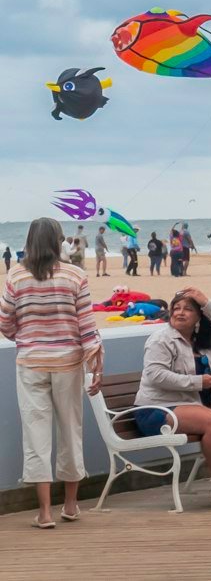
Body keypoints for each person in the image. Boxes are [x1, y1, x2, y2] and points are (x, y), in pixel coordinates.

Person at [1, 217, 104, 528]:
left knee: (36, 435)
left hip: (31, 364)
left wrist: (28, 336)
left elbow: (5, 323)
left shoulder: (15, 276)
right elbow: (86, 325)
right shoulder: (75, 275)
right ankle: (71, 506)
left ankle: (44, 512)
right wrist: (95, 364)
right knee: (70, 430)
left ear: (29, 240)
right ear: (60, 240)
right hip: (69, 363)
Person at [134, 288, 211, 505]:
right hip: (157, 410)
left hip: (194, 406)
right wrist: (198, 382)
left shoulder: (203, 339)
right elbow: (155, 376)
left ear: (198, 316)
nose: (180, 313)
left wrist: (206, 301)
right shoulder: (161, 340)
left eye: (188, 309)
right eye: (176, 308)